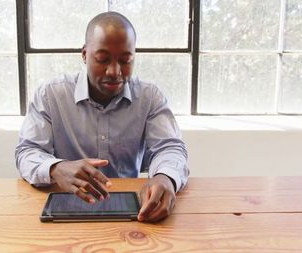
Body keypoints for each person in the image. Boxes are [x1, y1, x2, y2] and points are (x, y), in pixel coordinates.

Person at [15, 11, 188, 222]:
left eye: (125, 60)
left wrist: (166, 177)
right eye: (102, 59)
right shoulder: (50, 95)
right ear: (85, 54)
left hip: (131, 212)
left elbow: (170, 148)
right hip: (66, 208)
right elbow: (27, 151)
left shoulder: (150, 96)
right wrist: (55, 168)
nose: (114, 71)